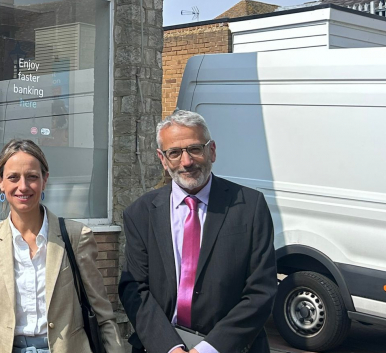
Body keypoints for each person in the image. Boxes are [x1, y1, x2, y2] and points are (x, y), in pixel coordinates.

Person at [118, 110, 277, 353]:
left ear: (211, 150)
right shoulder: (140, 213)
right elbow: (134, 288)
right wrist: (169, 347)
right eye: (175, 152)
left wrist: (208, 349)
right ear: (162, 159)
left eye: (194, 149)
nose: (186, 161)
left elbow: (261, 290)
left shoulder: (249, 207)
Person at [0, 139, 124, 353]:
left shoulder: (76, 236)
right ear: (0, 181)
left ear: (45, 179)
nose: (23, 186)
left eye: (32, 176)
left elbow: (102, 314)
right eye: (13, 177)